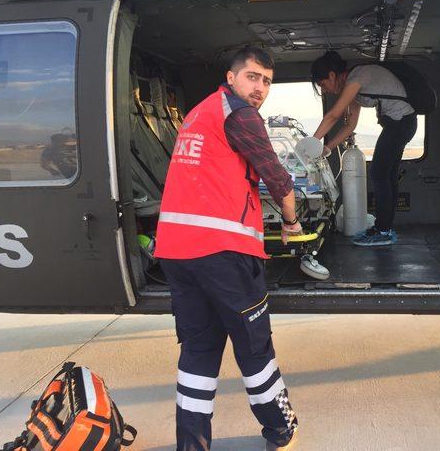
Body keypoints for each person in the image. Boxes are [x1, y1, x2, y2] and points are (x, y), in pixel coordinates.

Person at [154, 47, 301, 451]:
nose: (260, 88)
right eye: (253, 77)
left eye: (267, 81)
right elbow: (278, 178)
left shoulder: (200, 113)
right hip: (223, 253)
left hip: (178, 252)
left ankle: (192, 445)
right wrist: (291, 221)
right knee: (255, 348)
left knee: (199, 351)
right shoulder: (239, 114)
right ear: (231, 77)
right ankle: (279, 429)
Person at [311, 51, 417, 246]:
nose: (324, 90)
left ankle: (383, 230)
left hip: (400, 123)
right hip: (402, 123)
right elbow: (350, 125)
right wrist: (327, 148)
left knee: (378, 173)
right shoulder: (353, 87)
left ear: (332, 75)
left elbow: (333, 115)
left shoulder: (357, 78)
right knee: (388, 175)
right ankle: (385, 228)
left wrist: (310, 145)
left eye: (323, 85)